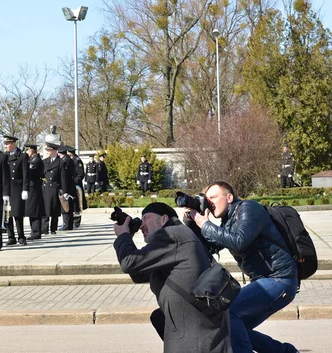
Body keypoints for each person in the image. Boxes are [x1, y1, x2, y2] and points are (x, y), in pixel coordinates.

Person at [186, 181, 299, 353]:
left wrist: (205, 224)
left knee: (228, 314)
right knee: (232, 329)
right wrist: (193, 224)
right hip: (266, 280)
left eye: (214, 197)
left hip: (279, 278)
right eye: (207, 199)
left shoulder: (248, 209)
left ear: (229, 197)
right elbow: (209, 247)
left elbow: (238, 241)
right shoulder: (228, 221)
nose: (210, 202)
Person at [113, 202, 231, 352]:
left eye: (146, 218)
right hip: (195, 332)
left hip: (195, 338)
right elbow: (138, 273)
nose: (142, 225)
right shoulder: (178, 237)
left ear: (163, 219)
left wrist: (123, 235)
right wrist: (128, 237)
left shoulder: (172, 235)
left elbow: (128, 262)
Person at [3, 135, 29, 246]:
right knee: (7, 214)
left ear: (13, 144)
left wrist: (25, 189)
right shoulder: (4, 156)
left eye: (8, 143)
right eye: (5, 144)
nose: (6, 146)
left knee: (18, 214)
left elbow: (26, 174)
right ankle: (11, 237)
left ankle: (21, 236)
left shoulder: (22, 156)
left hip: (17, 189)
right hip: (7, 189)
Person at [24, 144, 45, 240]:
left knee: (35, 211)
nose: (26, 152)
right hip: (31, 188)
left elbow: (31, 173)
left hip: (34, 188)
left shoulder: (36, 161)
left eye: (27, 150)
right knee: (31, 211)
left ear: (31, 151)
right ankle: (34, 231)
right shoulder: (31, 160)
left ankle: (36, 232)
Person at [42, 142, 63, 234]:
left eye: (49, 150)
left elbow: (63, 177)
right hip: (46, 188)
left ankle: (53, 228)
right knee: (45, 209)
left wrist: (64, 190)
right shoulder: (44, 161)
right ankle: (44, 229)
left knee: (54, 209)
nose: (47, 152)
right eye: (47, 150)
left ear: (54, 151)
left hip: (55, 188)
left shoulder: (60, 162)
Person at [66, 146, 86, 229]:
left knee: (77, 203)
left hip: (76, 185)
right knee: (72, 203)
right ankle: (71, 221)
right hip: (71, 185)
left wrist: (75, 181)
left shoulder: (77, 160)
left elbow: (80, 174)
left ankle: (76, 222)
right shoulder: (71, 160)